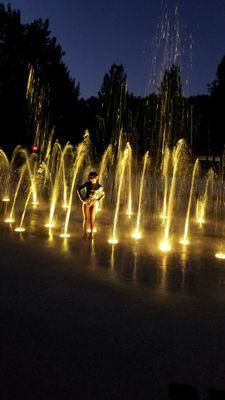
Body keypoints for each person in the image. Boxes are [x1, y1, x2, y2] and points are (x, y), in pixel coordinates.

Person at [77, 171, 105, 239]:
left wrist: (97, 200)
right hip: (86, 203)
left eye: (93, 177)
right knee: (85, 218)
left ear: (97, 177)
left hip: (94, 203)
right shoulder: (88, 183)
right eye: (91, 177)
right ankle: (84, 233)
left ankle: (91, 234)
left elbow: (103, 195)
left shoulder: (100, 186)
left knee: (92, 219)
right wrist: (82, 199)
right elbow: (78, 189)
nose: (92, 178)